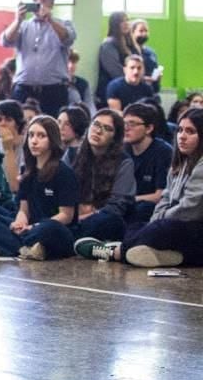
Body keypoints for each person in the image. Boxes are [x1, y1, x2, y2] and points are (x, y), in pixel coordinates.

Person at [76, 109, 203, 267]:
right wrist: (156, 220)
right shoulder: (179, 164)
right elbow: (165, 197)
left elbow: (190, 209)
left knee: (157, 227)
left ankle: (114, 251)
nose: (182, 136)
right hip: (174, 225)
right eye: (180, 130)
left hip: (194, 228)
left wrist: (159, 221)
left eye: (190, 132)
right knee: (137, 226)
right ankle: (168, 256)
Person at [0, 116, 79, 260]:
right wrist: (20, 222)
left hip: (52, 229)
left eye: (41, 136)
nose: (34, 141)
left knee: (49, 228)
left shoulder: (64, 172)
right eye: (31, 135)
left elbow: (66, 216)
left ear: (52, 140)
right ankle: (26, 247)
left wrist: (35, 227)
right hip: (30, 227)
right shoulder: (27, 171)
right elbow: (23, 208)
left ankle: (7, 243)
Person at [0, 0, 76, 118]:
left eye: (43, 0)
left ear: (51, 3)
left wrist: (50, 20)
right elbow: (5, 41)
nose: (38, 4)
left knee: (51, 127)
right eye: (34, 0)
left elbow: (68, 39)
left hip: (53, 90)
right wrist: (17, 20)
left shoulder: (63, 24)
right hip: (24, 88)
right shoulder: (23, 26)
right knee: (18, 125)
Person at [69, 110, 136, 255]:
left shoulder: (124, 162)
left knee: (111, 220)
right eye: (96, 125)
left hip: (100, 218)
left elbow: (117, 205)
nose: (98, 131)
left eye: (107, 129)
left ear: (115, 137)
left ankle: (74, 243)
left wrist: (85, 216)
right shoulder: (71, 154)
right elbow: (60, 190)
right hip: (70, 215)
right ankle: (85, 246)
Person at [122, 102, 173, 223]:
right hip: (126, 203)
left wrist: (128, 199)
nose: (126, 128)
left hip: (149, 209)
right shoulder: (123, 149)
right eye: (124, 123)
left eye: (132, 124)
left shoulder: (164, 152)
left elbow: (160, 195)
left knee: (143, 208)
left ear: (149, 128)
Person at [96, 11, 139, 103]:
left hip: (129, 90)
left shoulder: (131, 45)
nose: (126, 23)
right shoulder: (108, 45)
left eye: (127, 20)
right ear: (115, 24)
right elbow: (115, 71)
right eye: (122, 21)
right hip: (113, 92)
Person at [130, 19, 161, 94]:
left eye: (146, 31)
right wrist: (142, 79)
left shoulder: (151, 52)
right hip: (134, 92)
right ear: (132, 33)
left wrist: (158, 77)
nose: (144, 34)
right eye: (141, 31)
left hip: (151, 92)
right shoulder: (128, 52)